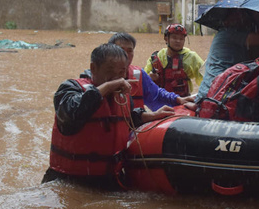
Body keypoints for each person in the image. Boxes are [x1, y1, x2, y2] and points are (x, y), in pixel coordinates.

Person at [44, 44, 174, 189]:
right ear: (94, 68)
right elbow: (71, 113)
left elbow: (128, 120)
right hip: (68, 181)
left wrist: (154, 115)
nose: (118, 78)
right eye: (110, 72)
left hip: (109, 180)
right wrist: (108, 87)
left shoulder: (123, 96)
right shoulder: (70, 88)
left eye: (121, 72)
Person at [106, 32, 195, 111]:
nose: (125, 55)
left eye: (130, 50)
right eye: (121, 50)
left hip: (136, 126)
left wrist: (178, 99)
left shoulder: (138, 74)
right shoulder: (99, 75)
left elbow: (157, 94)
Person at [197, 10, 259, 100]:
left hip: (216, 91)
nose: (242, 18)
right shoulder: (228, 33)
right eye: (238, 15)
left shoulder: (236, 35)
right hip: (217, 92)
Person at [145, 24, 204, 97]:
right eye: (174, 38)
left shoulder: (192, 57)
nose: (178, 41)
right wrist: (150, 78)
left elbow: (206, 79)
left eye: (181, 39)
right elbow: (144, 82)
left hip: (183, 101)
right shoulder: (156, 58)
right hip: (160, 102)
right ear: (166, 39)